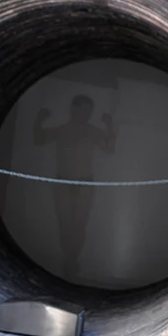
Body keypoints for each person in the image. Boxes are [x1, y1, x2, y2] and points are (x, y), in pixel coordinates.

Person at [34, 95, 117, 279]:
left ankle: (72, 260)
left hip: (85, 182)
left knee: (80, 224)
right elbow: (39, 140)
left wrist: (110, 126)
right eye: (82, 110)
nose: (85, 114)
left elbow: (109, 148)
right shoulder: (62, 130)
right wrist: (39, 120)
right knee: (64, 222)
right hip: (63, 182)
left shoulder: (92, 131)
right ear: (74, 109)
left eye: (89, 111)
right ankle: (68, 259)